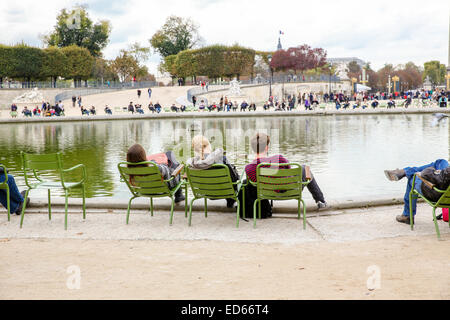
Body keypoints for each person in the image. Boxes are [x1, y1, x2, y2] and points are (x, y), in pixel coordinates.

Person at [243, 132, 327, 217]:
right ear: (267, 148)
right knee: (305, 168)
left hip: (267, 193)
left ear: (253, 149)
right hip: (290, 191)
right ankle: (321, 201)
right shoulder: (279, 159)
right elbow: (289, 171)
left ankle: (321, 200)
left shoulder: (249, 168)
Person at [384, 159, 450, 224]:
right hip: (446, 194)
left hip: (436, 193)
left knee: (413, 177)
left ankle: (407, 215)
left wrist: (428, 171)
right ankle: (405, 171)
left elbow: (438, 179)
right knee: (441, 162)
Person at [187, 136, 240, 208]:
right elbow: (234, 177)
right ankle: (230, 200)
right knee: (238, 181)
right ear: (208, 145)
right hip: (226, 191)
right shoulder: (222, 158)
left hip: (206, 193)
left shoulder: (192, 164)